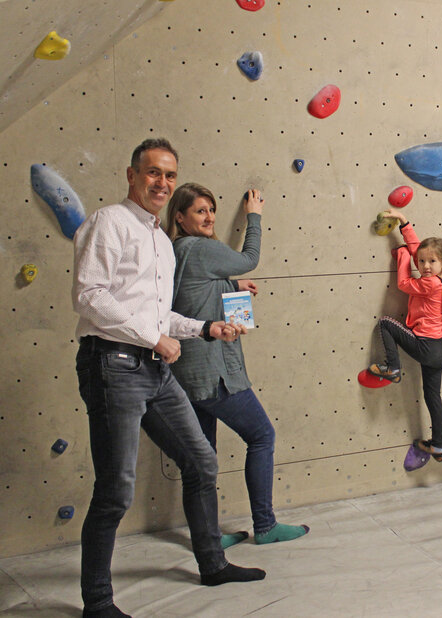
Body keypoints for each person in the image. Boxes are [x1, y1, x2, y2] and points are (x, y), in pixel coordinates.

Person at [73, 139, 265, 618]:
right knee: (115, 489)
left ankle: (212, 564)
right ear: (132, 175)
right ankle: (97, 602)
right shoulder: (108, 222)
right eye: (153, 173)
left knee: (201, 463)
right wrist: (153, 338)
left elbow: (160, 315)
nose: (161, 183)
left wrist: (204, 328)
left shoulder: (161, 239)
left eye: (169, 175)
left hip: (154, 368)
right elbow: (89, 297)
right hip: (112, 365)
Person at [165, 183, 310, 546]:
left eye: (211, 210)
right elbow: (249, 258)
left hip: (185, 372)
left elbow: (192, 294)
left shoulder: (176, 250)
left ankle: (209, 537)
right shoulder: (202, 248)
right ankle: (265, 525)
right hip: (213, 371)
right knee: (261, 435)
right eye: (200, 211)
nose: (210, 217)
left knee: (202, 458)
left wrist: (230, 283)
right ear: (179, 217)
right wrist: (254, 217)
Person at [368, 209, 442, 461]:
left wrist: (401, 256)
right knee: (433, 397)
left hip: (425, 345)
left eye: (431, 262)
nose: (424, 266)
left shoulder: (429, 283)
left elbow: (403, 284)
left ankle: (393, 368)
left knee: (386, 323)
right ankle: (438, 446)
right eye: (421, 262)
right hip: (439, 348)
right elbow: (420, 250)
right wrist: (404, 223)